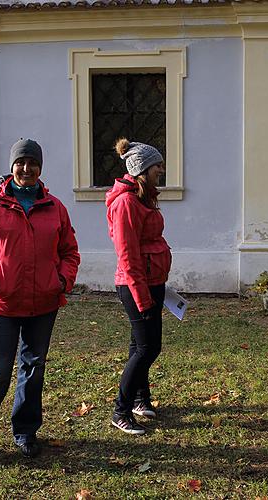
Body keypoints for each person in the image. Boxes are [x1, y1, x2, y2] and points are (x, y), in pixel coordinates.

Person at [0, 138, 80, 471]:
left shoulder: (55, 208)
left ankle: (25, 432)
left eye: (32, 163)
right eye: (20, 162)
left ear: (40, 167)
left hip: (42, 303)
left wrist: (61, 280)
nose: (26, 168)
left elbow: (70, 252)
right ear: (11, 167)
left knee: (33, 369)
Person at [106, 138, 171, 435]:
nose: (161, 169)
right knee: (148, 347)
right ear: (142, 169)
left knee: (138, 345)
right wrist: (142, 297)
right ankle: (120, 411)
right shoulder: (125, 203)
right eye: (157, 165)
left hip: (152, 282)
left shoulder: (144, 198)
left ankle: (139, 399)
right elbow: (128, 255)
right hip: (136, 286)